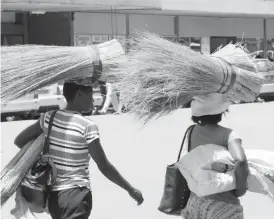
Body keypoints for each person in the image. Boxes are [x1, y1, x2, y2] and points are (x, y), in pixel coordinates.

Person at [14, 78, 144, 219]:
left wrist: (42, 158)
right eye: (91, 94)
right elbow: (104, 166)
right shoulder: (87, 126)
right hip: (76, 196)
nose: (94, 99)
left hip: (54, 199)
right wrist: (130, 189)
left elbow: (19, 141)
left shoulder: (48, 118)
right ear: (79, 94)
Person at [181, 93, 249, 219]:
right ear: (221, 111)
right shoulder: (228, 134)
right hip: (222, 205)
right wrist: (241, 189)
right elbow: (241, 161)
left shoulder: (191, 132)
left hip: (195, 202)